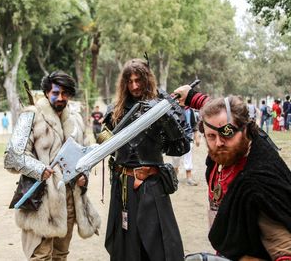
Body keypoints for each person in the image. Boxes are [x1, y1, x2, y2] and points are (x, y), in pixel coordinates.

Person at [174, 85, 291, 261]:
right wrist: (192, 97)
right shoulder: (225, 151)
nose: (219, 142)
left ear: (246, 129)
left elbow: (283, 248)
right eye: (211, 136)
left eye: (227, 135)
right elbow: (219, 117)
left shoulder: (258, 182)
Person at [4, 71, 100, 260]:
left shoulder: (76, 119)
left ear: (70, 95)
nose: (60, 97)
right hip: (41, 200)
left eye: (65, 93)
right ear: (47, 92)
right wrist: (39, 169)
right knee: (40, 256)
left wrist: (84, 175)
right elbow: (12, 156)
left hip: (70, 200)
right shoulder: (30, 115)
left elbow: (86, 154)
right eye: (56, 92)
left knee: (61, 255)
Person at [100, 59, 190, 261]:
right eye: (130, 81)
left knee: (158, 246)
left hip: (150, 184)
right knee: (124, 248)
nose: (134, 86)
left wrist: (162, 113)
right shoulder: (114, 110)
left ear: (147, 80)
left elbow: (181, 146)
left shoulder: (161, 107)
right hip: (122, 185)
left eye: (138, 80)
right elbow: (104, 146)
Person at [171, 106, 200, 186]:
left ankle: (189, 177)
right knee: (175, 159)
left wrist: (196, 137)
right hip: (176, 139)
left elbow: (194, 125)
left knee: (188, 157)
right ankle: (174, 176)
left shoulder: (190, 110)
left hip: (188, 137)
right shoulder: (173, 108)